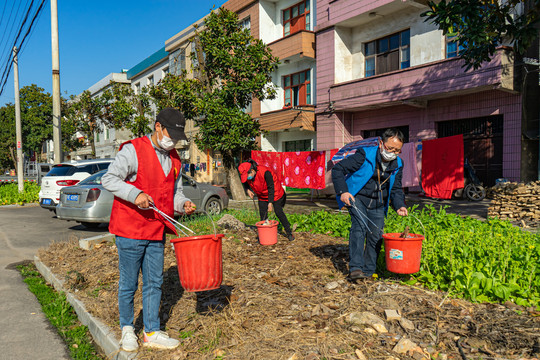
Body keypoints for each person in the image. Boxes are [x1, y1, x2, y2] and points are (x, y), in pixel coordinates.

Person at [102, 107, 197, 352]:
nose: (173, 140)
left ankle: (152, 331)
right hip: (130, 229)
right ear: (158, 127)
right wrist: (135, 195)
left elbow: (174, 194)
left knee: (154, 282)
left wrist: (182, 204)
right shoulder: (133, 150)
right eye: (171, 134)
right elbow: (109, 179)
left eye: (177, 137)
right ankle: (127, 330)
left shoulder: (175, 158)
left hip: (156, 230)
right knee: (129, 283)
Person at [331, 128, 408, 280]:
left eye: (397, 150)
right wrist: (343, 192)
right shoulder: (364, 155)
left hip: (378, 202)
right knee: (359, 228)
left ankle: (368, 271)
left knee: (376, 235)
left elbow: (396, 188)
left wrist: (400, 205)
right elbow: (338, 170)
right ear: (381, 143)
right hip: (358, 197)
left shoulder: (399, 163)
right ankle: (355, 269)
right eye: (390, 148)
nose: (392, 153)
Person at [238, 159, 295, 241]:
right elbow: (245, 182)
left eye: (248, 176)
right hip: (262, 195)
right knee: (263, 214)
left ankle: (289, 233)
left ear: (253, 171)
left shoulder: (265, 172)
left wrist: (270, 203)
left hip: (275, 194)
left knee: (278, 212)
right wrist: (247, 190)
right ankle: (264, 236)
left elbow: (271, 187)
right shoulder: (248, 175)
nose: (247, 178)